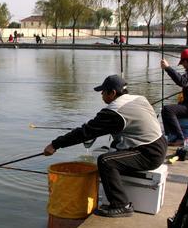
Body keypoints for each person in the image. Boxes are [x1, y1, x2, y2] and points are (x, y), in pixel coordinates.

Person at [43, 75, 166, 218]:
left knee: (105, 161)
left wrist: (55, 145)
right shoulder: (139, 98)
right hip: (159, 143)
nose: (101, 95)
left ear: (112, 93)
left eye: (103, 92)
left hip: (149, 154)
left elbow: (84, 132)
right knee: (112, 149)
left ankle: (121, 205)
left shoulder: (114, 111)